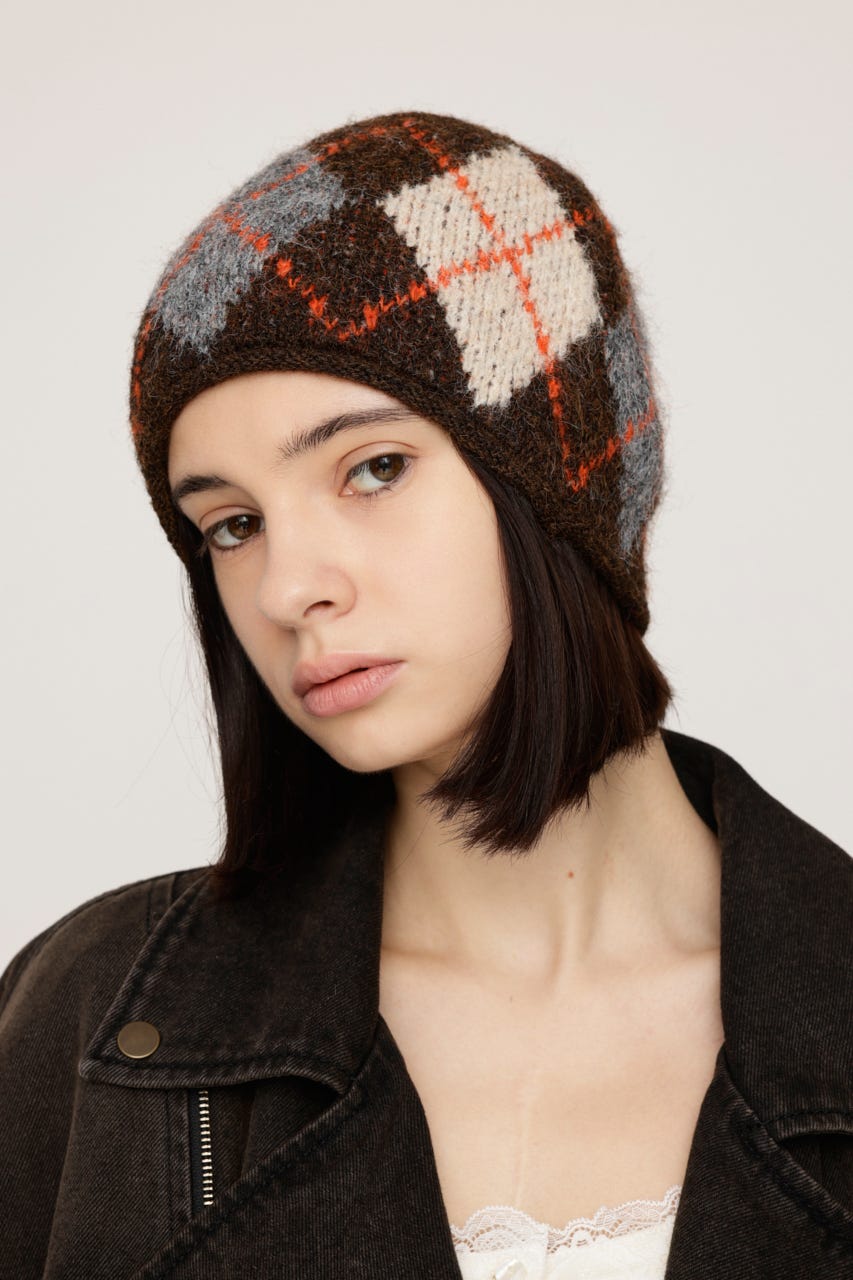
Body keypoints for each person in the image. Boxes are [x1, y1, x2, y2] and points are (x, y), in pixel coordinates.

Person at [1, 110, 850, 1280]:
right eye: (232, 525)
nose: (289, 588)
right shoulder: (83, 1017)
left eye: (373, 467)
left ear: (563, 489)